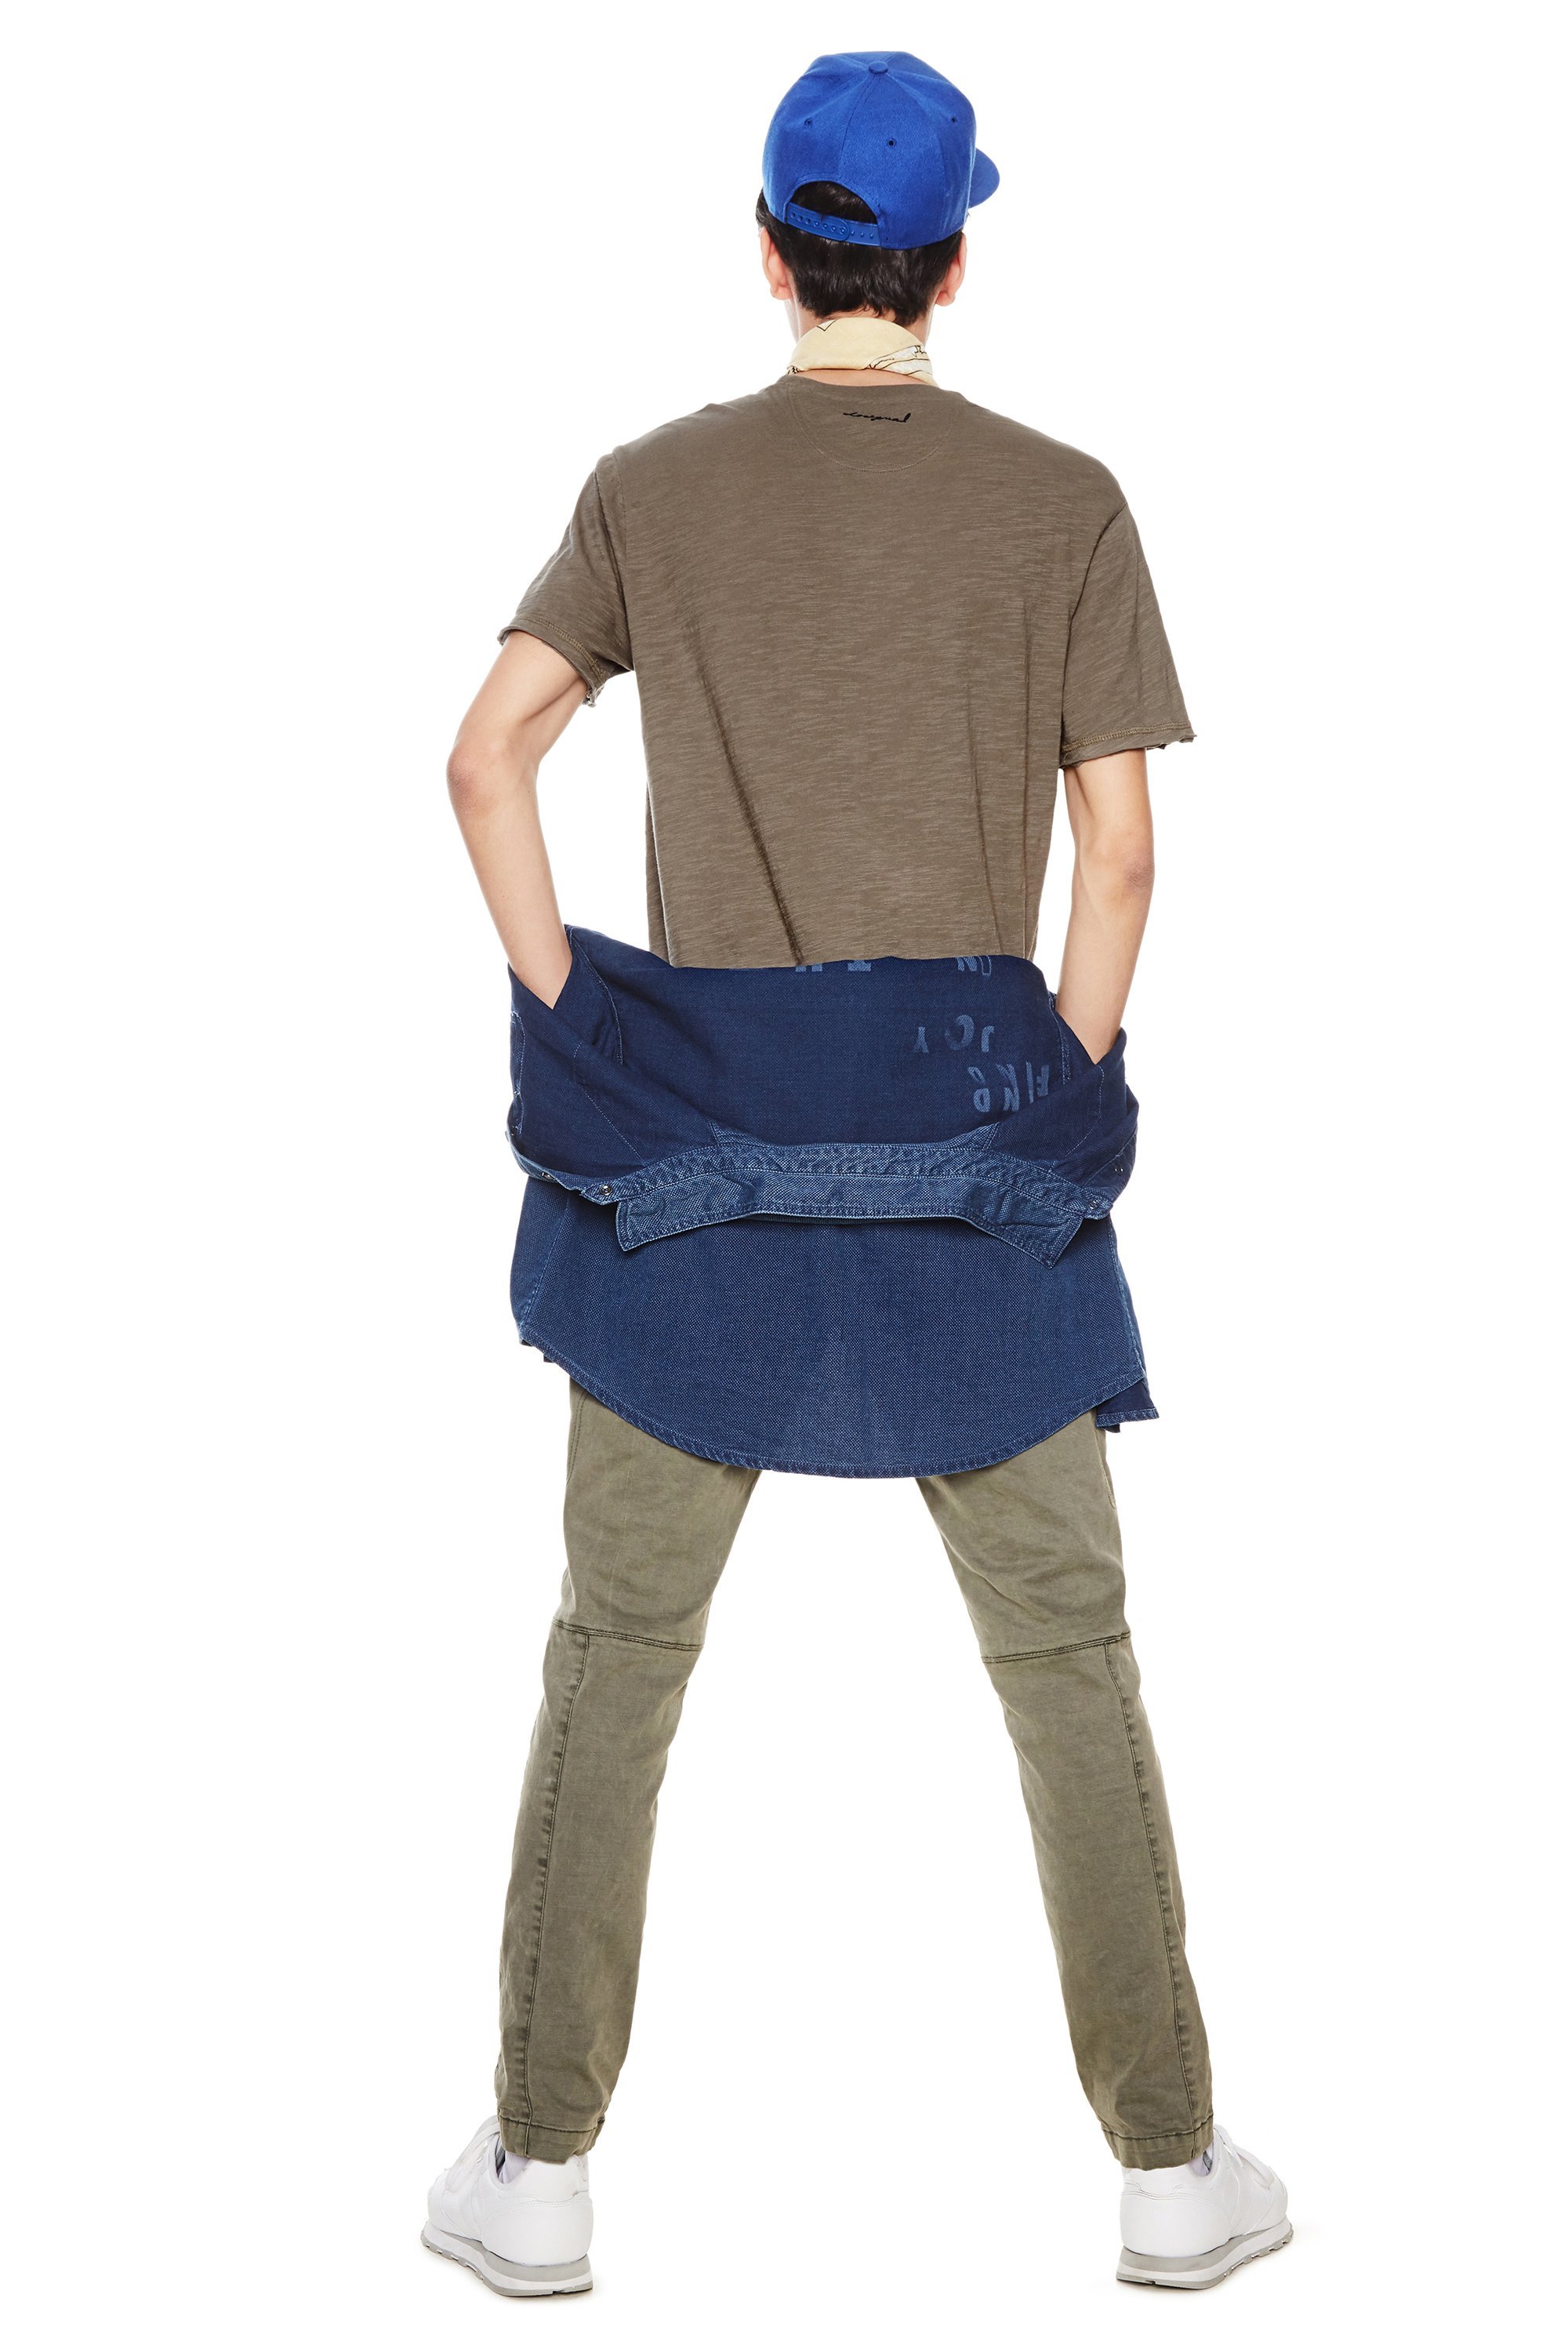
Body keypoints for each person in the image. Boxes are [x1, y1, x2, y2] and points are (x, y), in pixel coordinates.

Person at [422, 49, 1289, 2298]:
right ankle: (1173, 2175)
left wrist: (581, 1022)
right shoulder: (1066, 504)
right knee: (1068, 1659)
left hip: (692, 1167)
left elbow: (487, 761)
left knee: (619, 1657)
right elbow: (1122, 853)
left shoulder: (649, 491)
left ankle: (538, 2175)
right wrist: (1054, 1087)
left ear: (771, 252)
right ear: (955, 263)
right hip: (971, 1164)